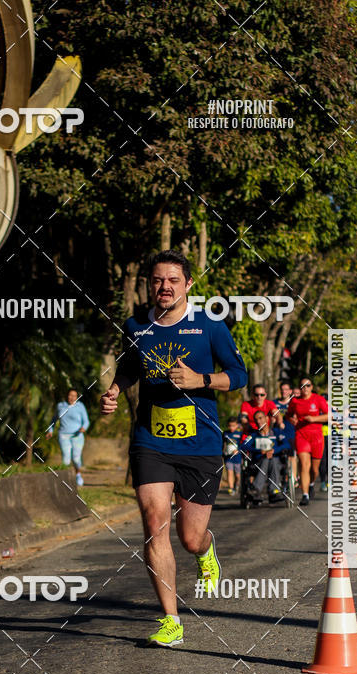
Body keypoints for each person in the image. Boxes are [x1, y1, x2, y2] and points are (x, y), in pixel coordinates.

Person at [99, 249, 247, 648]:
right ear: (150, 285)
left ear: (188, 285)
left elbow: (238, 375)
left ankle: (206, 550)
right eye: (157, 280)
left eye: (173, 280)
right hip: (152, 441)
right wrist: (114, 389)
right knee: (154, 522)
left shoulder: (210, 326)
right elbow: (130, 366)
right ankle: (171, 620)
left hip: (200, 445)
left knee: (190, 537)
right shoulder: (135, 326)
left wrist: (201, 379)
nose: (164, 287)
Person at [286, 376, 328, 506]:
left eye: (308, 385)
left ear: (312, 387)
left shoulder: (318, 399)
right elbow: (288, 414)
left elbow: (329, 415)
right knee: (304, 464)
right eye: (302, 386)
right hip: (301, 435)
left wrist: (314, 419)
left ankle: (311, 483)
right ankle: (305, 495)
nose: (305, 388)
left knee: (315, 469)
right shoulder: (295, 402)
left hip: (316, 436)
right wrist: (292, 420)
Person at [46, 388, 90, 486]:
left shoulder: (80, 406)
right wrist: (50, 431)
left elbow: (86, 421)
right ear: (67, 396)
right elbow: (53, 420)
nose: (72, 398)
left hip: (77, 436)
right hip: (63, 435)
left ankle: (78, 474)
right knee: (65, 459)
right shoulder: (60, 406)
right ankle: (64, 480)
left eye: (74, 396)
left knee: (76, 458)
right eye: (70, 395)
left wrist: (84, 428)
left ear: (77, 397)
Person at [222, 416, 242, 495]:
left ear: (237, 425)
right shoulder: (225, 433)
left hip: (237, 457)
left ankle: (236, 485)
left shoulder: (239, 434)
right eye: (230, 426)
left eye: (233, 426)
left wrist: (238, 450)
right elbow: (222, 444)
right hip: (228, 457)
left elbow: (242, 445)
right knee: (229, 472)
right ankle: (231, 488)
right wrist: (223, 452)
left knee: (237, 475)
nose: (231, 428)